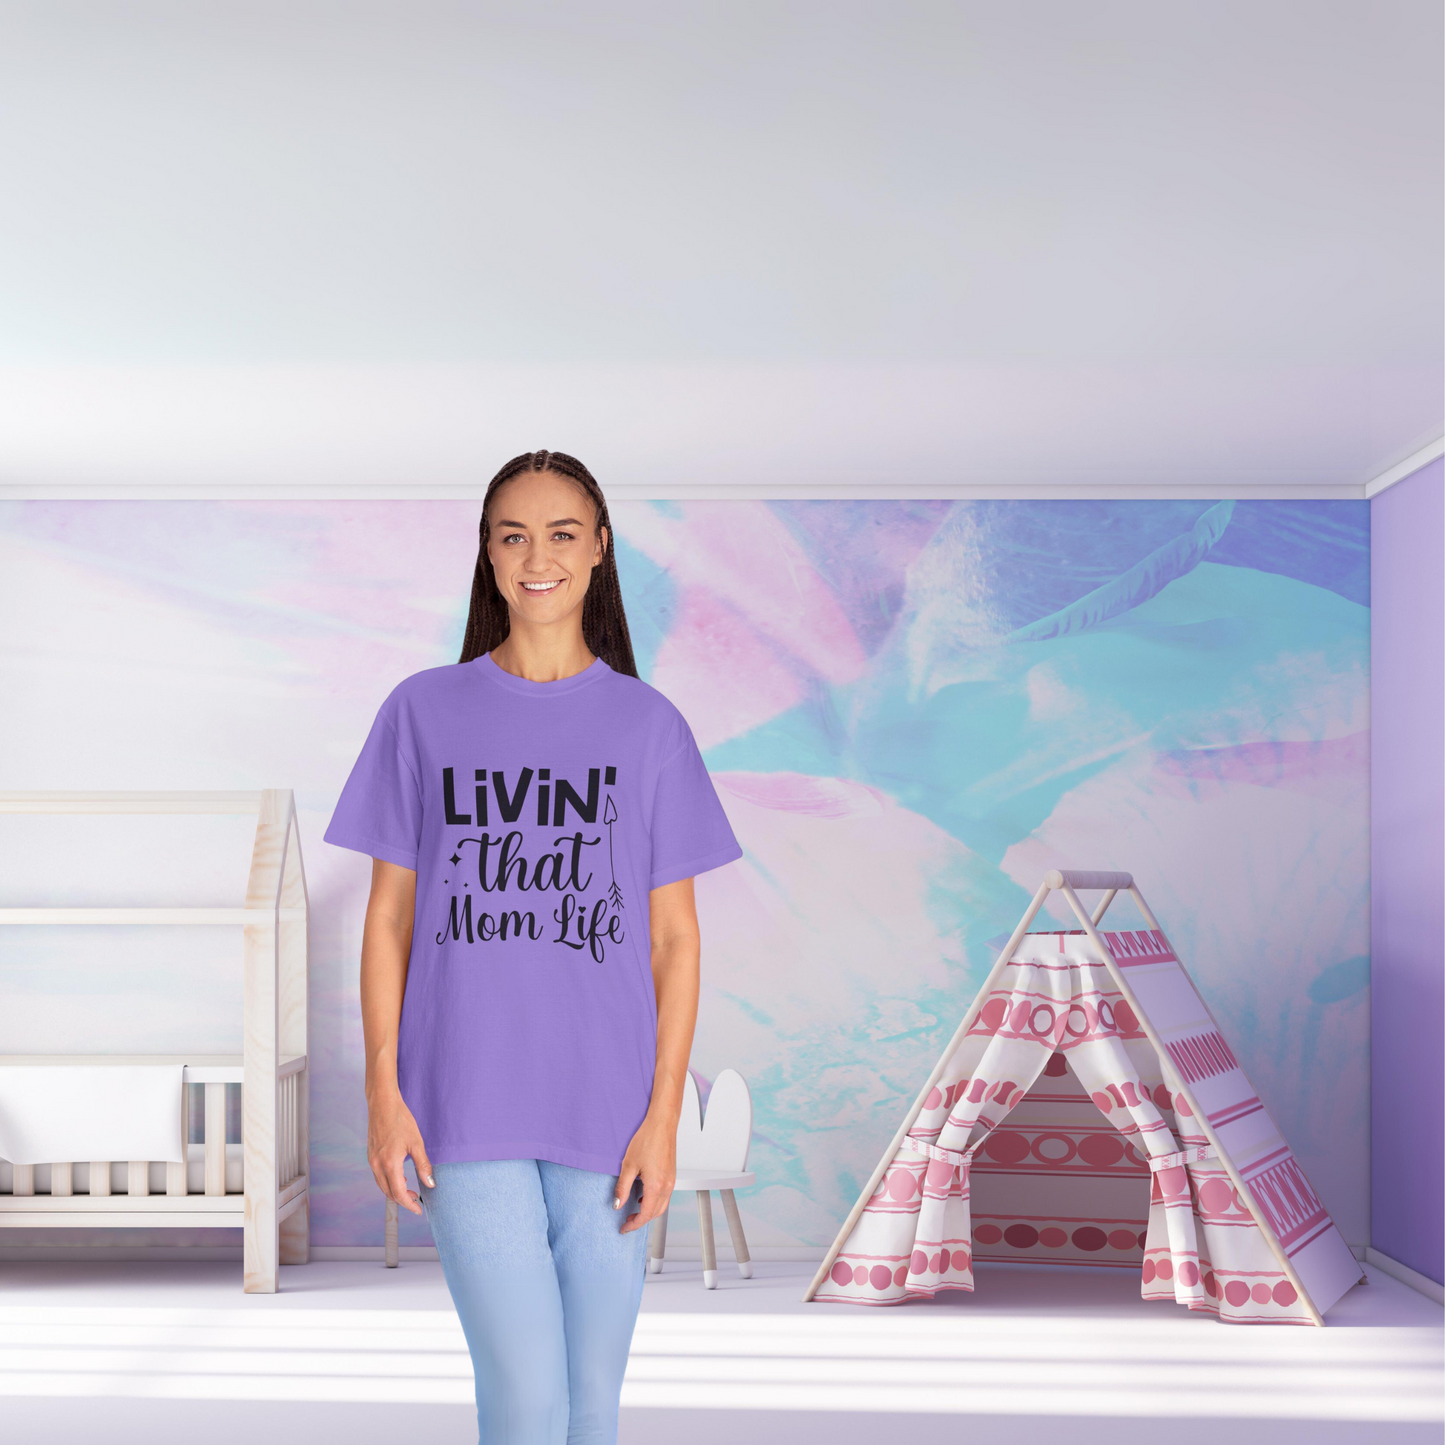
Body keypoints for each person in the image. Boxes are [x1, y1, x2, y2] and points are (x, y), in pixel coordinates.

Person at [323, 450, 743, 1444]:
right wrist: (385, 1091)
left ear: (598, 549)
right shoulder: (421, 711)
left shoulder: (648, 727)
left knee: (589, 1404)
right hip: (460, 1101)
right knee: (523, 1397)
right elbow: (386, 919)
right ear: (487, 552)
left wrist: (661, 1119)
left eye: (561, 532)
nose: (536, 555)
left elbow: (675, 939)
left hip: (608, 1107)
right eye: (512, 533)